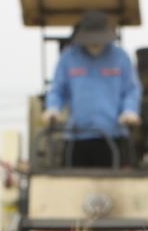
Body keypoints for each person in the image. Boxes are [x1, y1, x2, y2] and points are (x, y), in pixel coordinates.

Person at [42, 10, 141, 167]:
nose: (95, 43)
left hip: (112, 136)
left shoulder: (120, 58)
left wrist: (129, 111)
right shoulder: (69, 58)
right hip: (77, 137)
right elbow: (58, 90)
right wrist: (53, 109)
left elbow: (131, 90)